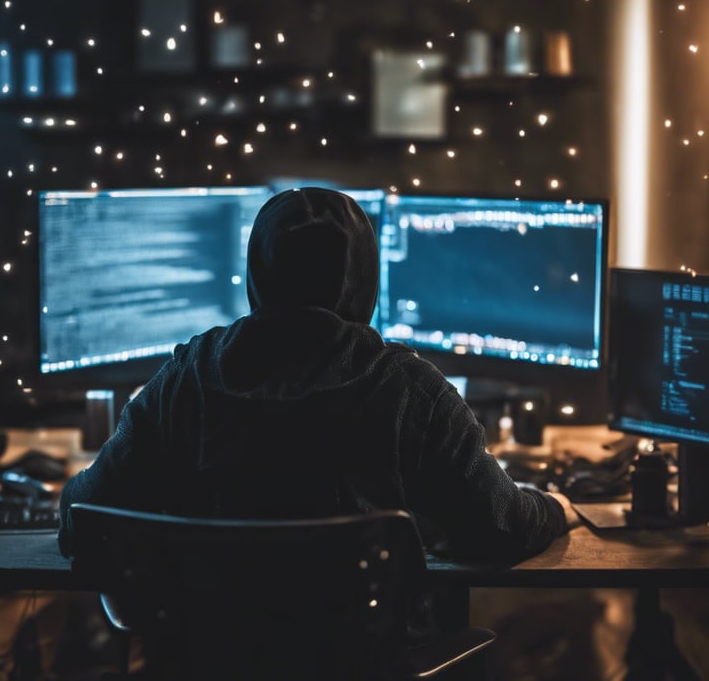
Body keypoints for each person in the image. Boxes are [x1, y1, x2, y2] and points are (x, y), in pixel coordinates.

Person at [58, 186, 577, 562]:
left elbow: (82, 519)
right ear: (364, 280)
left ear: (258, 272)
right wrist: (556, 507)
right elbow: (500, 530)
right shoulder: (408, 388)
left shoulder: (185, 379)